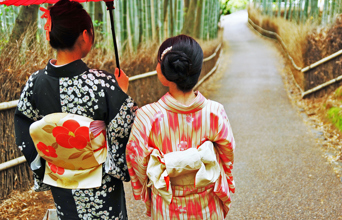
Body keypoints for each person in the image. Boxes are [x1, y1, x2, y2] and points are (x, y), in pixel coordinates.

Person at [14, 0, 136, 219]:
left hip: (61, 182)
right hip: (101, 184)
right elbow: (125, 129)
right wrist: (122, 95)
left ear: (51, 35)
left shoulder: (35, 83)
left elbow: (23, 126)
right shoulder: (103, 83)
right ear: (85, 35)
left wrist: (46, 167)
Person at [126, 34, 235, 219]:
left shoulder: (147, 116)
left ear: (164, 69)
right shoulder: (215, 112)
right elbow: (227, 156)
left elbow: (136, 163)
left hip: (168, 207)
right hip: (208, 206)